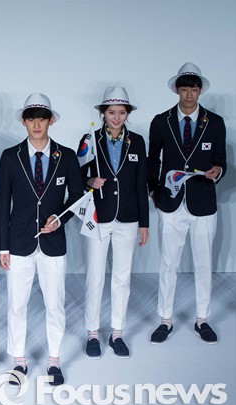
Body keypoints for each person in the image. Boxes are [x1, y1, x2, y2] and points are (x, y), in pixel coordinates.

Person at [0, 93, 84, 386]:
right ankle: (18, 360)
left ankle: (54, 360)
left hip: (53, 242)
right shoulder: (10, 156)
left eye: (42, 119)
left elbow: (76, 196)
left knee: (55, 303)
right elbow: (3, 203)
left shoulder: (67, 156)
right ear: (23, 121)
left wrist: (60, 218)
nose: (37, 124)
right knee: (17, 304)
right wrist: (3, 246)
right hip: (18, 241)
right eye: (31, 119)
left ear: (51, 121)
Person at [147, 62, 226, 345]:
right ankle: (165, 319)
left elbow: (221, 160)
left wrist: (218, 171)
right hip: (170, 202)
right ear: (177, 91)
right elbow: (152, 160)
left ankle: (202, 319)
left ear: (200, 91)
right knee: (168, 262)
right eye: (184, 89)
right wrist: (154, 191)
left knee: (204, 263)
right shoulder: (161, 121)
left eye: (194, 89)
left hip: (203, 202)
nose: (189, 94)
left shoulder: (214, 122)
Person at [78, 87, 149, 359]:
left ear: (127, 114)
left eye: (121, 113)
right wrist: (89, 181)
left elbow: (141, 184)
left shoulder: (137, 142)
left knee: (122, 277)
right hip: (99, 216)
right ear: (102, 113)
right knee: (95, 276)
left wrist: (144, 223)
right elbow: (76, 173)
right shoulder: (90, 139)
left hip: (128, 219)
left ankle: (117, 332)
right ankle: (92, 332)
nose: (116, 118)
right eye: (111, 113)